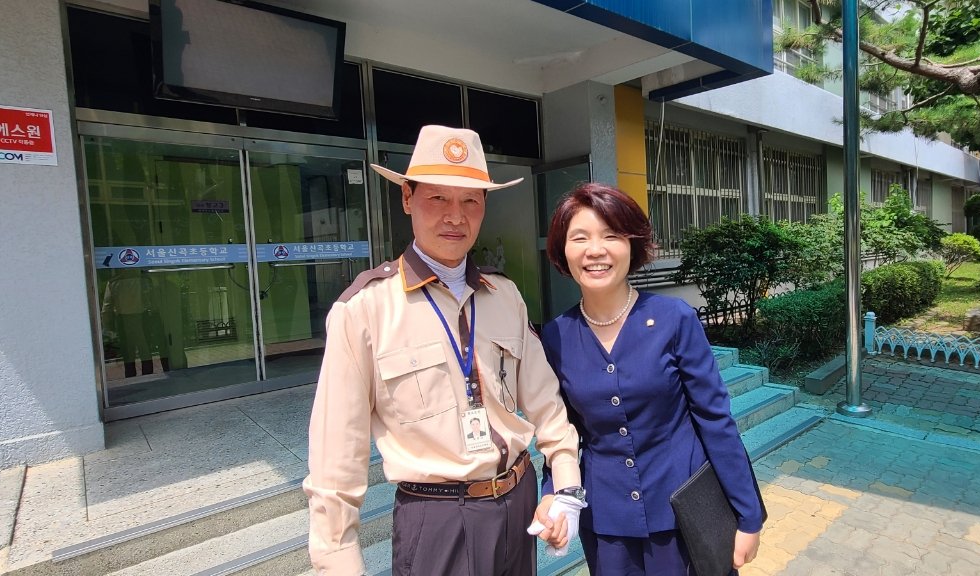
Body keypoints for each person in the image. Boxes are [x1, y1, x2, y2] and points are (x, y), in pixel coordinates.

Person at [303, 125, 585, 576]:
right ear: (407, 198)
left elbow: (546, 403)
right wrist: (338, 563)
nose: (455, 216)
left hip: (519, 504)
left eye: (470, 200)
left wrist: (566, 484)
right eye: (437, 198)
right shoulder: (364, 310)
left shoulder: (504, 295)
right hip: (437, 518)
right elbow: (335, 459)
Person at [538, 182, 763, 575]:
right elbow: (560, 430)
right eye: (580, 237)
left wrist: (748, 516)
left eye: (611, 235)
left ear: (632, 244)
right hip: (607, 524)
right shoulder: (556, 335)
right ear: (562, 250)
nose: (595, 250)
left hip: (684, 513)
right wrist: (553, 494)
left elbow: (715, 420)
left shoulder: (674, 319)